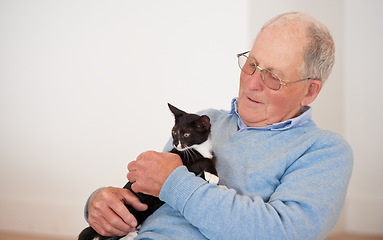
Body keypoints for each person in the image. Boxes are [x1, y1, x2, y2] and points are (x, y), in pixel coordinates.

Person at [84, 12, 353, 240]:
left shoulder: (323, 150)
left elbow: (283, 231)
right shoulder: (203, 122)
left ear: (309, 91)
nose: (252, 83)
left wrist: (175, 184)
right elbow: (147, 196)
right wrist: (101, 204)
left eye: (273, 77)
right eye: (252, 64)